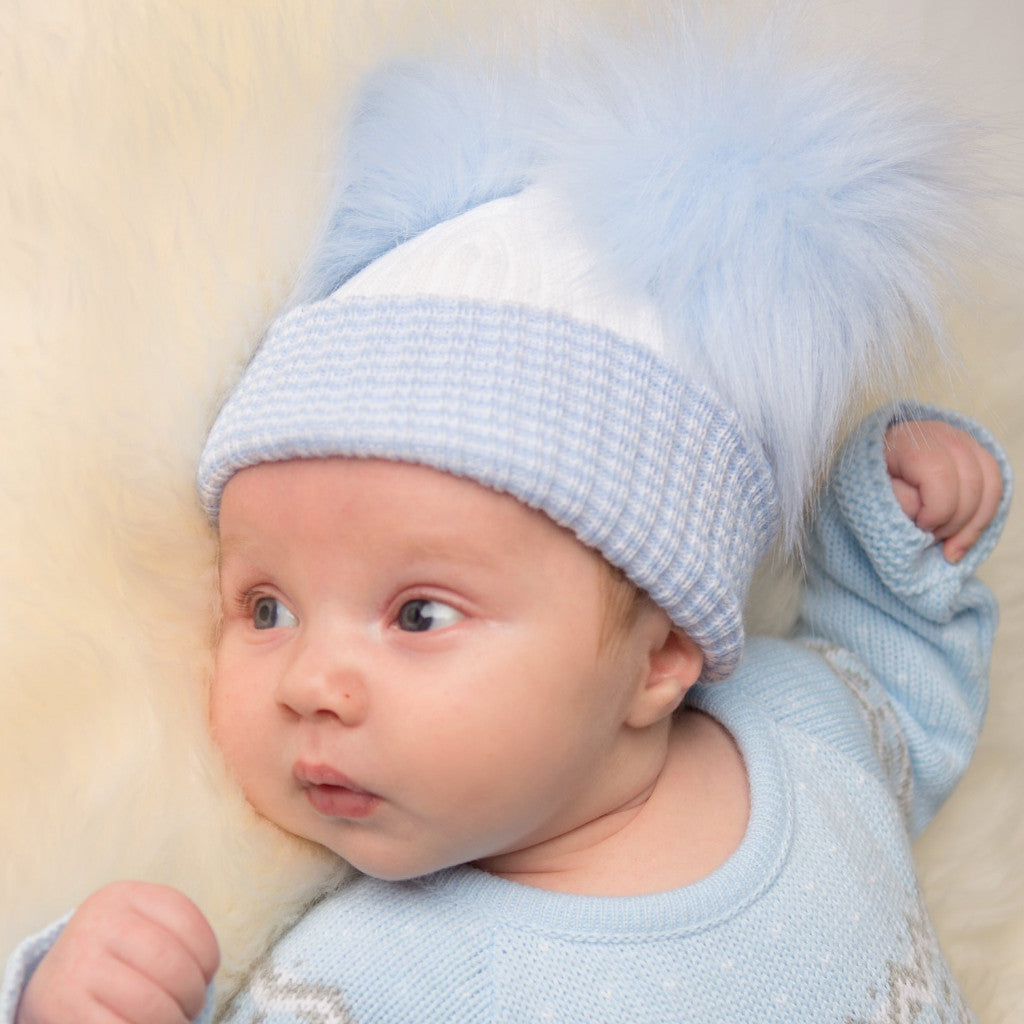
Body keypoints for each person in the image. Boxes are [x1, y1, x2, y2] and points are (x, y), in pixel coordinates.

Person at [3, 10, 1012, 1023]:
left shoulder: (804, 725)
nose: (309, 683)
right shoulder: (374, 976)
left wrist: (894, 527)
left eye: (420, 615)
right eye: (266, 609)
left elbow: (902, 687)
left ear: (660, 655)